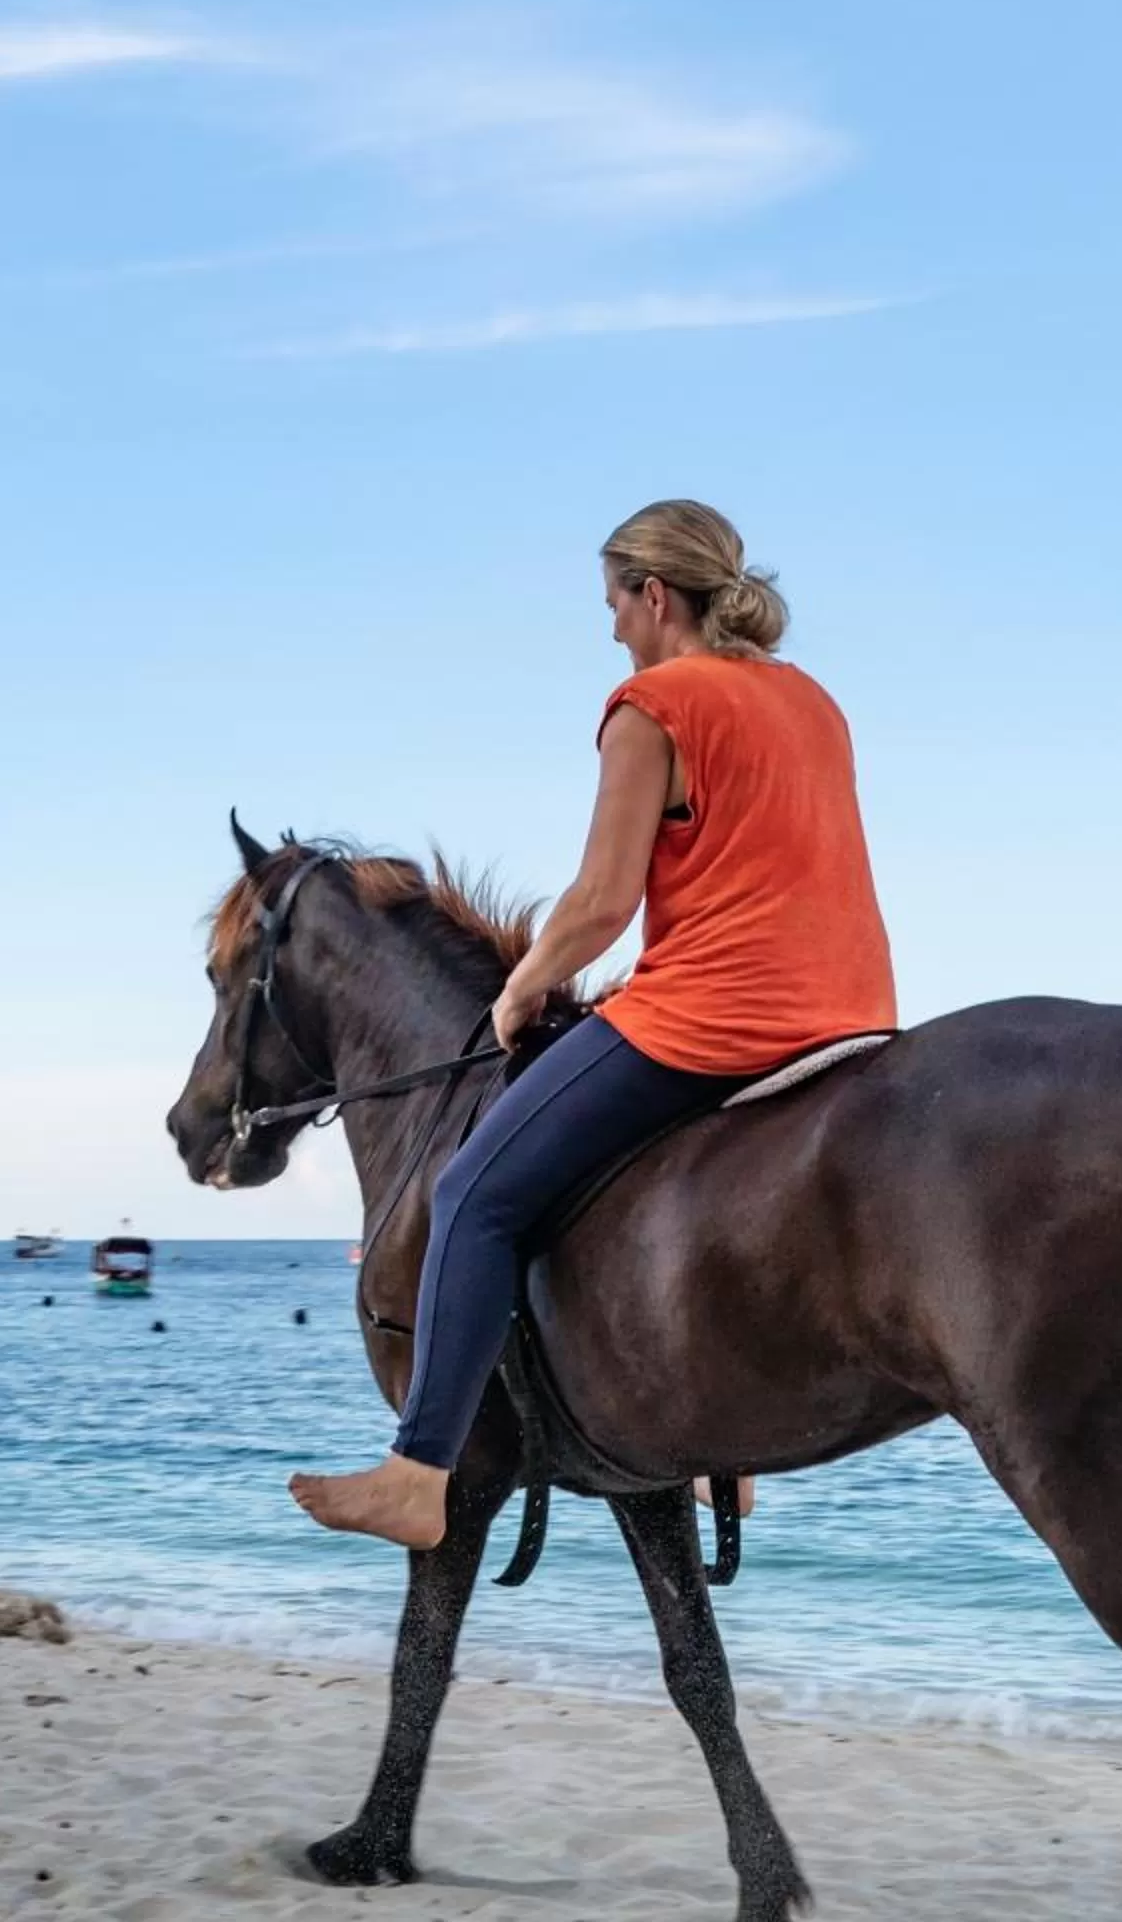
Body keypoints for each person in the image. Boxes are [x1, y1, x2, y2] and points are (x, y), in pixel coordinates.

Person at [289, 499, 898, 1548]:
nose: (612, 626)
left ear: (654, 594)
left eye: (614, 602)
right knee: (701, 1205)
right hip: (849, 1011)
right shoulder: (814, 700)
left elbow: (602, 900)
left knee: (473, 1188)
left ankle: (418, 1472)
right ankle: (727, 1466)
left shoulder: (651, 703)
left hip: (716, 1012)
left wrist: (523, 984)